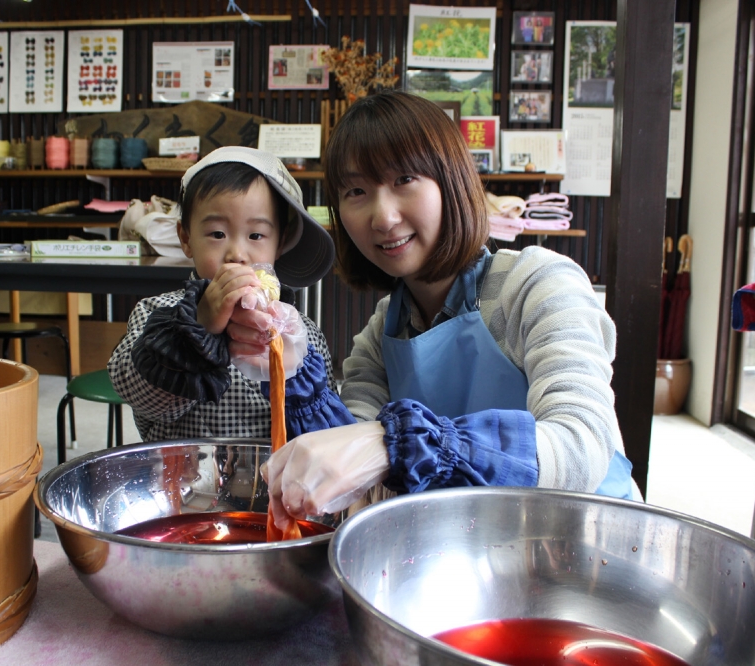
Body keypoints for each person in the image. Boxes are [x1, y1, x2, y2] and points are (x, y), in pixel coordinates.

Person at [263, 90, 637, 531]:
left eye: (404, 180)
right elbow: (349, 461)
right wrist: (294, 371)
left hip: (589, 548)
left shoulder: (538, 285)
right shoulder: (382, 332)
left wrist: (396, 444)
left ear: (452, 182)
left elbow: (579, 447)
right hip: (471, 549)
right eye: (357, 191)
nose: (382, 217)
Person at [108, 146, 350, 441]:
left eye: (256, 235)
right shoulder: (157, 315)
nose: (237, 254)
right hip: (182, 480)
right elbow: (143, 400)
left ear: (280, 242)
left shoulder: (303, 333)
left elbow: (325, 434)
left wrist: (294, 370)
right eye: (217, 234)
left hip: (270, 483)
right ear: (186, 238)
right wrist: (199, 328)